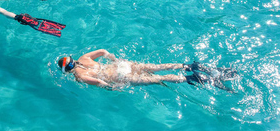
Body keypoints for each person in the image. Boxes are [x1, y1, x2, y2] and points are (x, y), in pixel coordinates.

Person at [58, 49, 238, 91]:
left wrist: (112, 88)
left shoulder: (79, 76)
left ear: (67, 70)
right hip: (122, 65)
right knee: (159, 67)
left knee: (162, 78)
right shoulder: (84, 58)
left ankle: (198, 79)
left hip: (119, 76)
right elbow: (104, 52)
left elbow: (98, 81)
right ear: (73, 59)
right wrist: (116, 60)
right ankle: (191, 66)